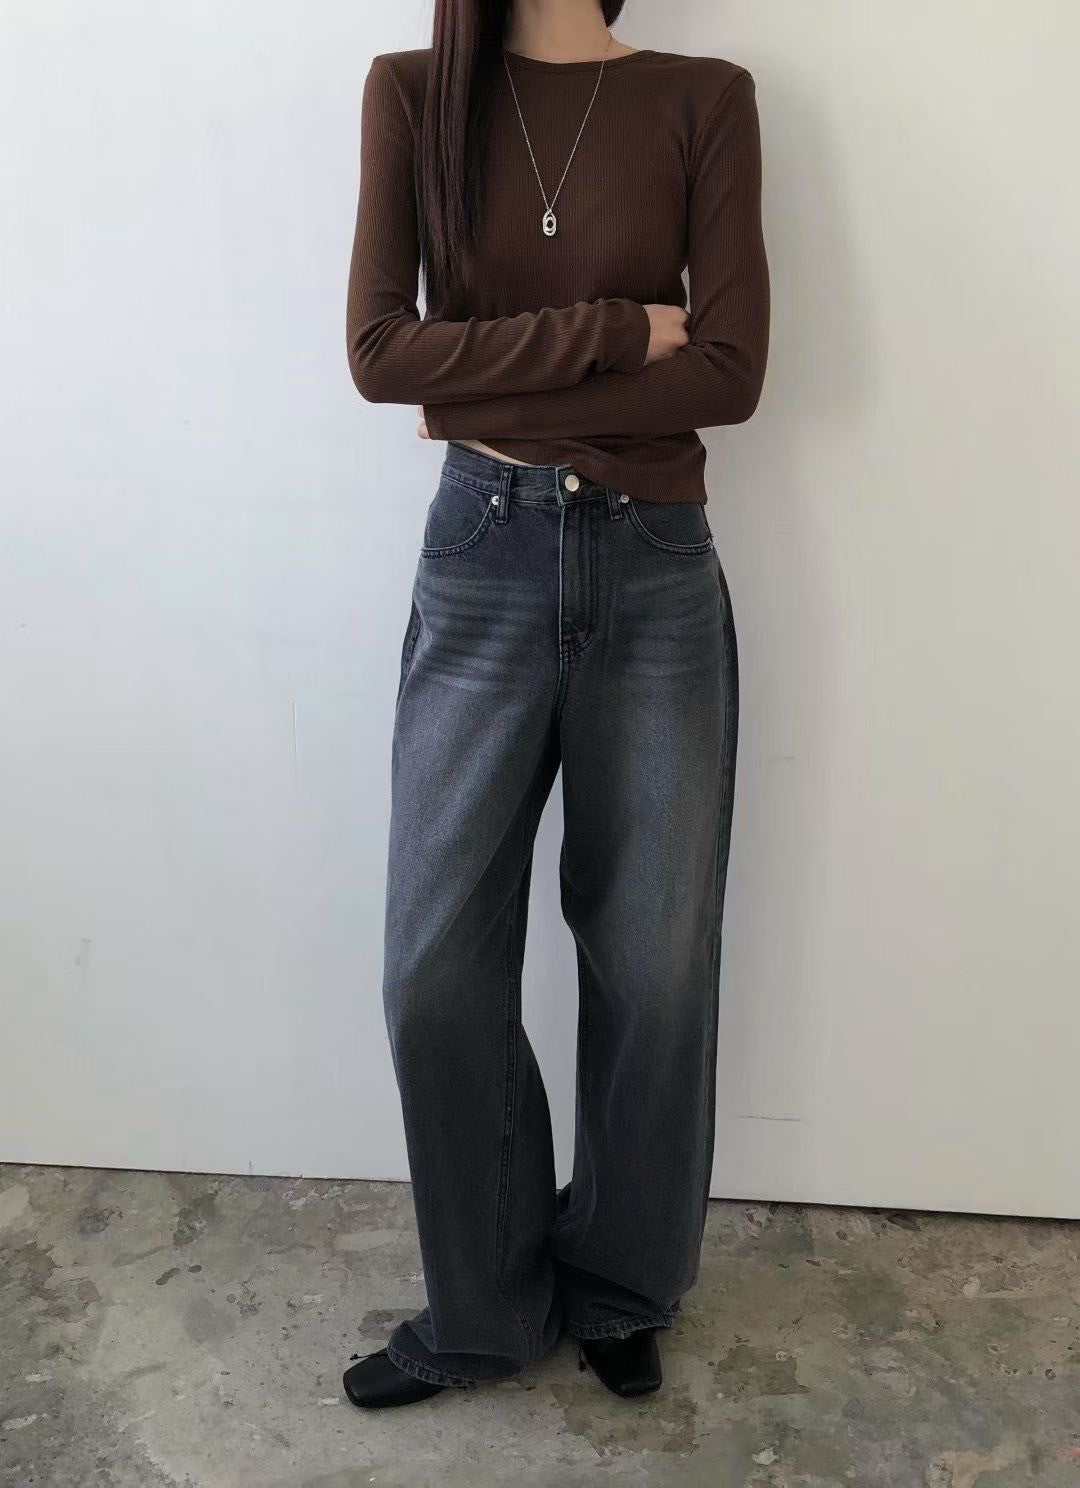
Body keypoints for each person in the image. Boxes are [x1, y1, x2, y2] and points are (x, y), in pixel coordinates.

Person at [341, 0, 769, 1408]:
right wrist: (616, 333)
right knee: (432, 972)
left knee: (656, 967)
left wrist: (480, 392)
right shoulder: (417, 92)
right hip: (482, 559)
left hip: (654, 566)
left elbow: (732, 371)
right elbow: (380, 355)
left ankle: (623, 1283)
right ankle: (487, 1307)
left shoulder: (706, 97)